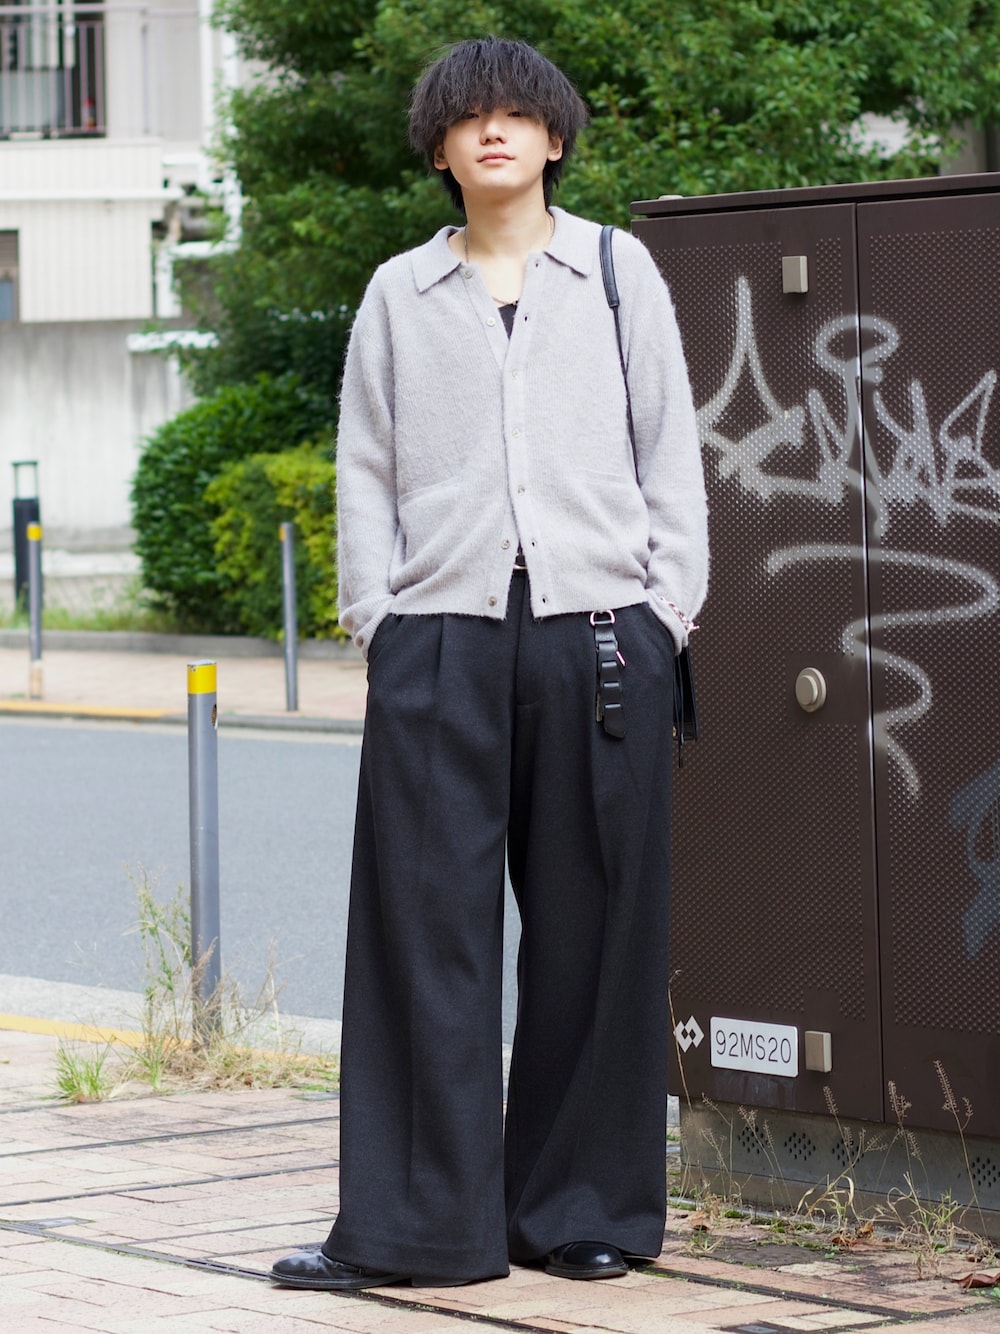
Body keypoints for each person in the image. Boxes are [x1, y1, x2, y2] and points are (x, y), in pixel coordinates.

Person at [271, 34, 708, 1293]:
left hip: (600, 637)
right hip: (439, 640)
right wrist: (378, 617)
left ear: (554, 139)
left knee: (593, 933)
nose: (496, 131)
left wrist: (664, 613)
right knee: (423, 935)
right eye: (471, 118)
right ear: (442, 149)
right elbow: (364, 464)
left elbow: (670, 453)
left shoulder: (616, 272)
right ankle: (417, 1225)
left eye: (520, 114)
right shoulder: (398, 293)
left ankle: (578, 1210)